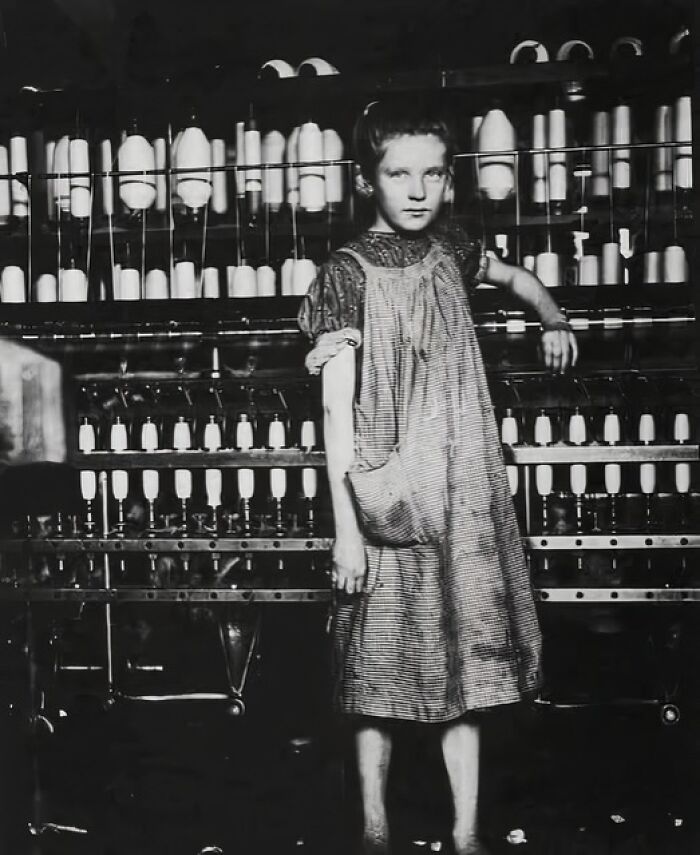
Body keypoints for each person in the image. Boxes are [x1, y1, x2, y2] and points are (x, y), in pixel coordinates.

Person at [297, 99, 578, 855]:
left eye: (432, 174)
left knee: (468, 667)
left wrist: (554, 318)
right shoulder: (345, 274)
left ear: (450, 180)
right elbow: (335, 415)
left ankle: (466, 834)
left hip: (461, 498)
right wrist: (347, 533)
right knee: (374, 673)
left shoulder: (453, 247)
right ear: (367, 181)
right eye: (399, 174)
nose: (417, 190)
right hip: (385, 496)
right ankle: (375, 831)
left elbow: (518, 277)